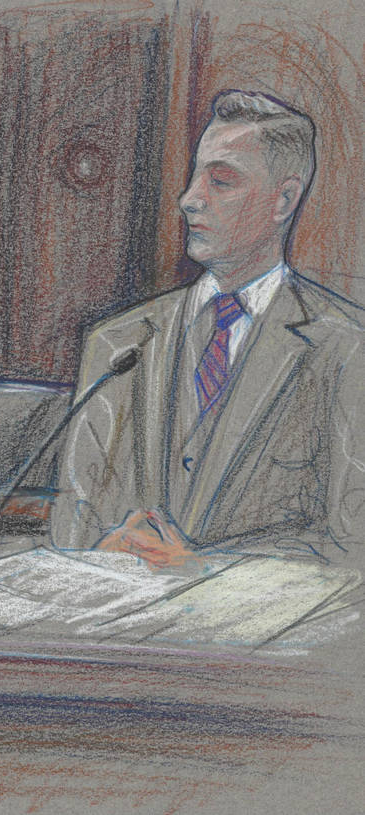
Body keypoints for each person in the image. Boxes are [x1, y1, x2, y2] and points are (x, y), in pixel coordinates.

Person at [51, 90, 365, 569]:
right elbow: (72, 528)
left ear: (284, 199)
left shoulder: (345, 348)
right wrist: (98, 553)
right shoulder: (118, 342)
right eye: (196, 176)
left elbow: (353, 552)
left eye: (220, 181)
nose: (189, 200)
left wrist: (200, 571)